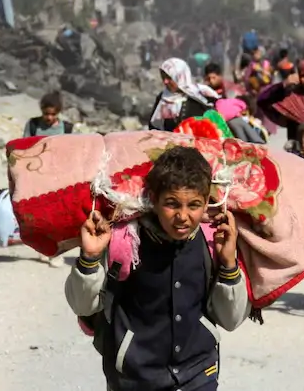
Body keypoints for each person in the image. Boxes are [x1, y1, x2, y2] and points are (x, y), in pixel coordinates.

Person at [65, 146, 250, 391]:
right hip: (134, 377)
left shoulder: (212, 244)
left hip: (198, 374)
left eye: (194, 205)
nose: (183, 216)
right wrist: (89, 257)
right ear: (153, 198)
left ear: (206, 202)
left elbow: (231, 319)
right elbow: (83, 306)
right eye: (172, 204)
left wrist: (228, 264)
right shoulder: (126, 241)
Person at [258, 59, 304, 143]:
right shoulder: (292, 99)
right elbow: (262, 99)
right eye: (303, 76)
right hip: (296, 152)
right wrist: (283, 84)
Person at [148, 58, 213, 131]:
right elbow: (153, 126)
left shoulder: (199, 97)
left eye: (169, 78)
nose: (165, 82)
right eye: (163, 77)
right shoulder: (162, 97)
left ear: (180, 77)